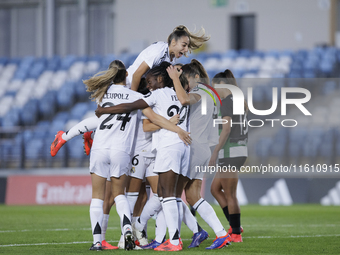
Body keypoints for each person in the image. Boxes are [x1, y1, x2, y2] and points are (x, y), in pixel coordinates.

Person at [50, 25, 209, 156]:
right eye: (184, 45)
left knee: (119, 121)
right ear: (173, 42)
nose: (187, 50)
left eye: (188, 46)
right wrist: (132, 97)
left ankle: (91, 135)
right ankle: (63, 137)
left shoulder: (169, 57)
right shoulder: (159, 51)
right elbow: (138, 74)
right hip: (128, 86)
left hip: (139, 90)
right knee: (113, 118)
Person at [86, 60, 191, 251]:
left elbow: (129, 107)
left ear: (160, 78)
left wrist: (104, 110)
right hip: (183, 147)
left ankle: (172, 240)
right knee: (169, 195)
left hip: (165, 146)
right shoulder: (182, 95)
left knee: (165, 195)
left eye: (150, 81)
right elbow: (183, 102)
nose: (147, 84)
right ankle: (160, 235)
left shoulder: (156, 95)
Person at [168, 60, 231, 249]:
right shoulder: (211, 93)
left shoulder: (200, 93)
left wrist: (173, 79)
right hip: (203, 148)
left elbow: (186, 99)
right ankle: (219, 234)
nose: (185, 84)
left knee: (172, 196)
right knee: (193, 196)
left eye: (186, 79)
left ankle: (177, 237)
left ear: (196, 77)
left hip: (193, 148)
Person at [209, 69, 248, 243]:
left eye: (214, 87)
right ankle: (235, 227)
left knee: (230, 194)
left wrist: (215, 152)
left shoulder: (227, 102)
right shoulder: (239, 101)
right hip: (238, 150)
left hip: (230, 151)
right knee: (215, 189)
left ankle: (236, 234)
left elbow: (226, 129)